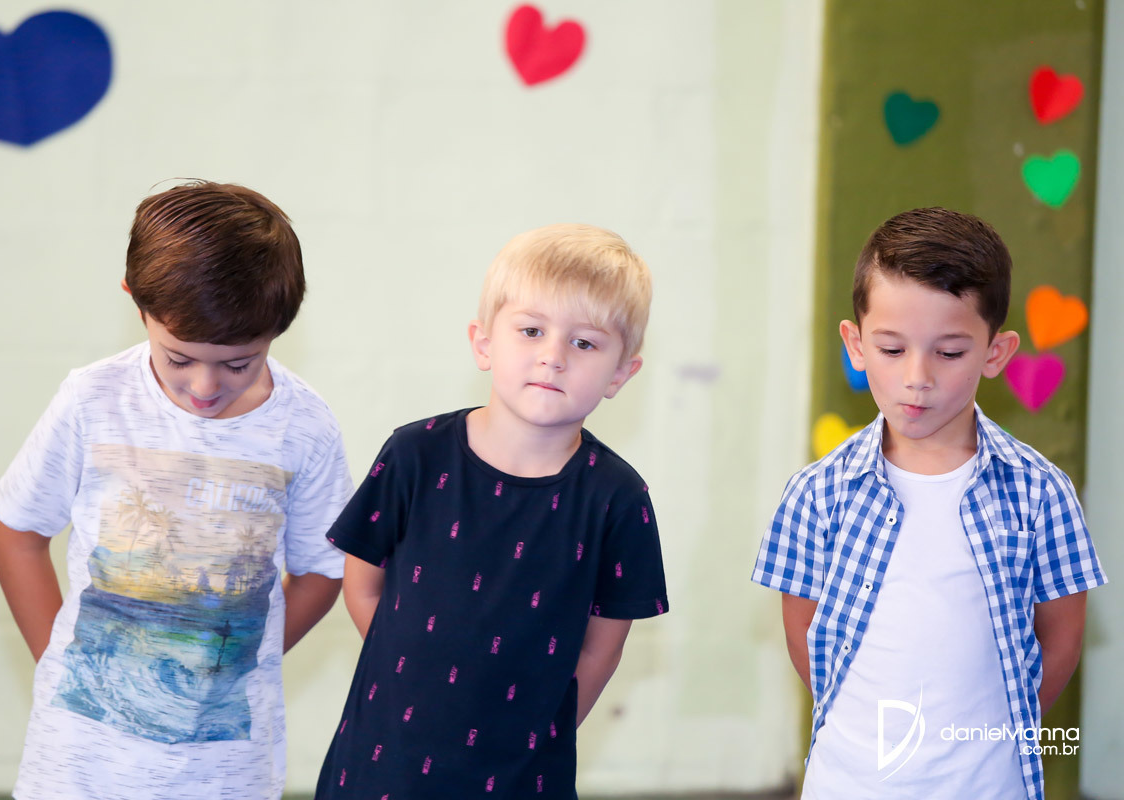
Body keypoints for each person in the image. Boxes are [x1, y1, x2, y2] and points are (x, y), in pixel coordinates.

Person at [0, 181, 353, 800]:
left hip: (227, 775)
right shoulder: (92, 399)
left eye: (238, 363)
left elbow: (322, 569)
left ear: (278, 329)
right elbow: (18, 536)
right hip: (75, 770)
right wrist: (61, 660)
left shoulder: (306, 426)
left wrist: (237, 661)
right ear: (136, 302)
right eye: (179, 358)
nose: (205, 387)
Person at [752, 207, 1106, 799]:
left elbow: (1062, 639)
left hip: (989, 784)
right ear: (855, 344)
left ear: (995, 352)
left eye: (949, 353)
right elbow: (805, 635)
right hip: (849, 782)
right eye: (892, 349)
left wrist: (989, 737)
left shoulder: (1040, 492)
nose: (917, 377)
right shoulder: (816, 493)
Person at [314, 223, 669, 798]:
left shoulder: (618, 498)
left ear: (622, 372)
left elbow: (603, 645)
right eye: (531, 331)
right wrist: (413, 686)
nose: (552, 357)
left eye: (584, 343)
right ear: (483, 344)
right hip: (384, 762)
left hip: (524, 776)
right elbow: (363, 584)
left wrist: (535, 730)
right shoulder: (415, 454)